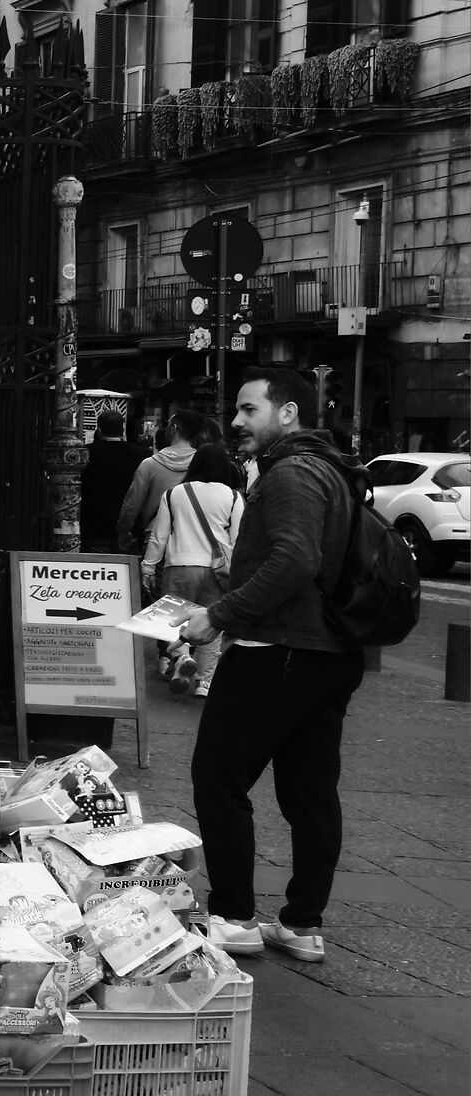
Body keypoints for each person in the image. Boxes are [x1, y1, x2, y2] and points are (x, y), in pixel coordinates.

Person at [178, 367, 366, 965]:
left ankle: (233, 915)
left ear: (288, 414)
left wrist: (221, 615)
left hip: (276, 653)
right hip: (328, 652)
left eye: (249, 410)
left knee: (219, 777)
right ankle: (304, 923)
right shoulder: (334, 468)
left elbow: (295, 559)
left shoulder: (289, 474)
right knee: (310, 792)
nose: (236, 422)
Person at [143, 444, 246, 699]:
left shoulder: (174, 494)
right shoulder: (232, 497)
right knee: (213, 621)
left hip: (180, 565)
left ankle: (181, 657)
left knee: (172, 621)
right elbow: (239, 539)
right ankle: (204, 681)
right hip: (217, 570)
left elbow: (160, 535)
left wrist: (148, 565)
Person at [119, 409, 215, 557]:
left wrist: (124, 533)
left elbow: (132, 504)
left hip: (155, 538)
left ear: (174, 428)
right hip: (195, 539)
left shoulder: (150, 465)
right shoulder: (204, 463)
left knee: (156, 578)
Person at [80, 410, 146, 554]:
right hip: (129, 526)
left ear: (99, 430)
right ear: (122, 429)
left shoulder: (85, 453)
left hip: (95, 525)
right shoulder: (141, 454)